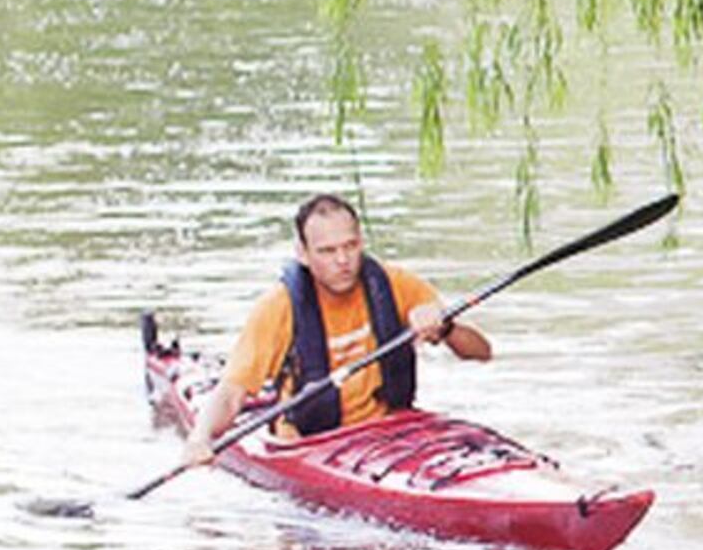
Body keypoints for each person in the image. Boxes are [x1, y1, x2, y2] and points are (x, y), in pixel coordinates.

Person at [186, 193, 492, 458]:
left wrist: (446, 328)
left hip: (390, 432)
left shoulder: (397, 284)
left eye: (350, 245)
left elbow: (482, 352)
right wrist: (199, 439)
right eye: (328, 251)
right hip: (312, 441)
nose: (343, 260)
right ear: (303, 254)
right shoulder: (277, 307)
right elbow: (231, 394)